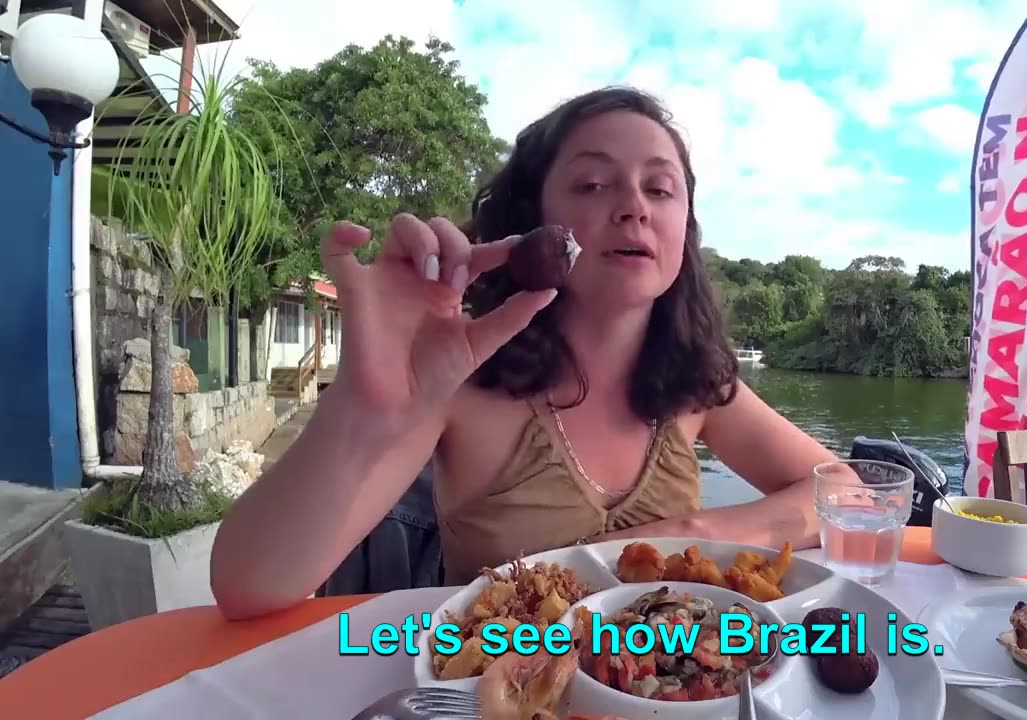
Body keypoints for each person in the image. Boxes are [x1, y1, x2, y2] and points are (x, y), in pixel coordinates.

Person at [211, 86, 841, 620]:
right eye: (593, 184)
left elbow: (847, 492)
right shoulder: (458, 383)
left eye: (661, 189)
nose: (633, 207)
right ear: (534, 216)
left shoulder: (698, 385)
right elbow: (247, 587)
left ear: (685, 230)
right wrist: (363, 407)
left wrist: (695, 534)